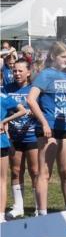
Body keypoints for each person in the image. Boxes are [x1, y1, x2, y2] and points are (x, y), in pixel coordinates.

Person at [27, 41, 66, 213]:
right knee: (45, 173)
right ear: (54, 57)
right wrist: (44, 122)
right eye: (63, 57)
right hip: (49, 128)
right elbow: (31, 99)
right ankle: (42, 213)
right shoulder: (46, 75)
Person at [5, 59, 39, 218]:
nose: (17, 74)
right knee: (16, 170)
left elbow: (42, 110)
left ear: (28, 72)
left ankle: (38, 205)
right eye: (14, 71)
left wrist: (35, 113)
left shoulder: (34, 89)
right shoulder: (7, 88)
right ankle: (18, 207)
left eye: (20, 71)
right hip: (14, 136)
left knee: (35, 171)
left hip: (32, 135)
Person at [0, 87, 29, 218]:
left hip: (1, 143)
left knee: (2, 180)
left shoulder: (3, 97)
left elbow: (23, 110)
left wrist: (4, 121)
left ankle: (0, 216)